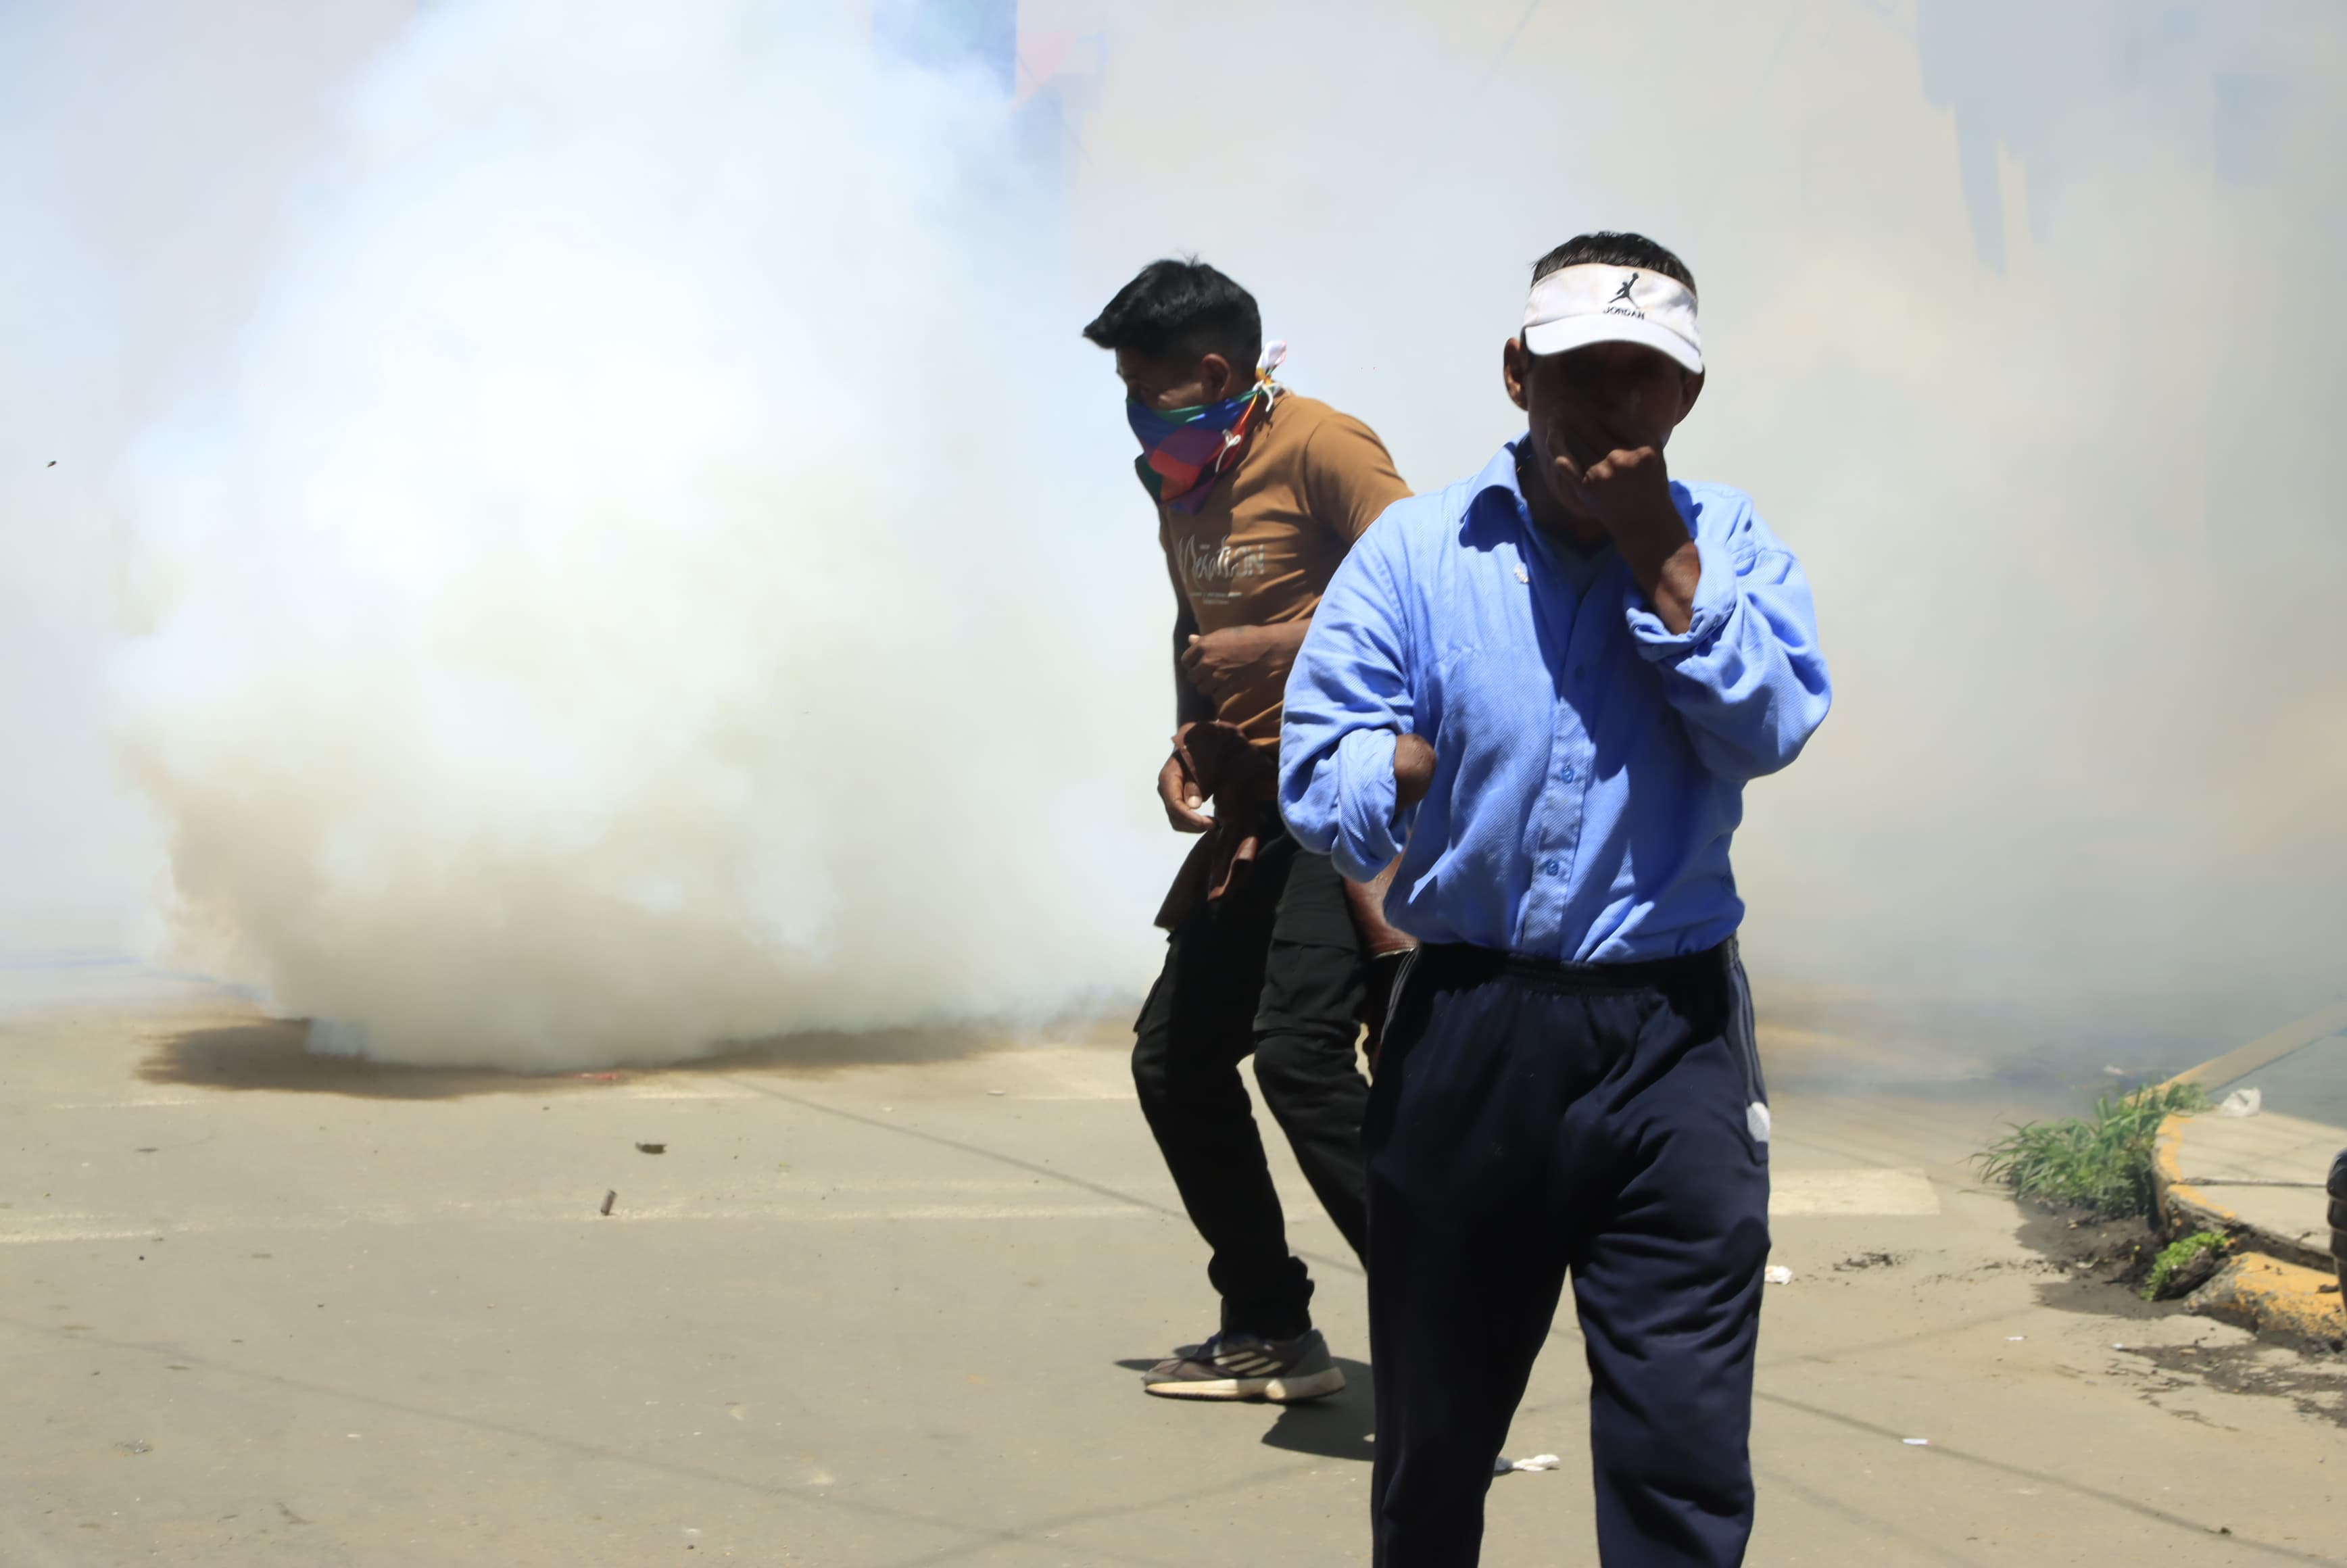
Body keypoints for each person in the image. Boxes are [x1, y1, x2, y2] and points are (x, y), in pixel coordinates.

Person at [1280, 232, 1832, 1565]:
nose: (1614, 406)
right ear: (1519, 374)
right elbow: (1317, 761)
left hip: (1673, 1041)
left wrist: (1659, 550)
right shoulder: (1420, 552)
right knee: (1434, 1442)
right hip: (1472, 1025)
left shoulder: (1730, 538)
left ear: (1684, 398)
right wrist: (1401, 766)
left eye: (1647, 378)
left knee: (1677, 1445)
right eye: (1585, 370)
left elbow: (1771, 723)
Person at [1083, 258, 1416, 1402]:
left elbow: (1432, 602)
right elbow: (1196, 617)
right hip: (1259, 806)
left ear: (1216, 372)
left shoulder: (1327, 447)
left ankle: (1450, 1310)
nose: (1135, 412)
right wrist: (1194, 733)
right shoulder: (1177, 478)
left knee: (1301, 1058)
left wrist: (1280, 655)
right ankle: (1269, 1322)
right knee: (1175, 1063)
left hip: (1355, 800)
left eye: (1148, 387)